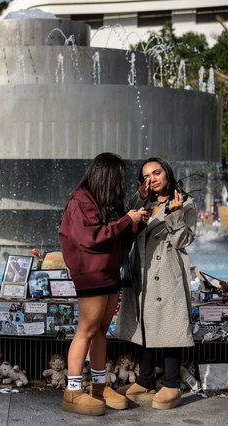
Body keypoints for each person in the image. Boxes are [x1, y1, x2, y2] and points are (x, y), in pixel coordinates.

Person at [58, 152, 148, 416]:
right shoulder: (80, 200)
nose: (120, 183)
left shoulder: (105, 201)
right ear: (106, 177)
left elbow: (122, 235)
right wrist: (125, 221)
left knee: (101, 330)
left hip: (109, 273)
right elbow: (91, 238)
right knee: (86, 329)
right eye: (118, 177)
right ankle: (73, 390)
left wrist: (136, 215)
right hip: (91, 273)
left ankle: (99, 386)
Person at [116, 157, 197, 410]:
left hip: (167, 269)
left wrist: (174, 214)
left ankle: (172, 384)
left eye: (157, 172)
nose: (152, 178)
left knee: (171, 323)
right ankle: (145, 379)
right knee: (145, 322)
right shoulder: (144, 202)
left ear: (167, 173)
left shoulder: (185, 202)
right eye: (147, 175)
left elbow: (184, 240)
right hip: (143, 268)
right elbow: (125, 227)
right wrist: (138, 200)